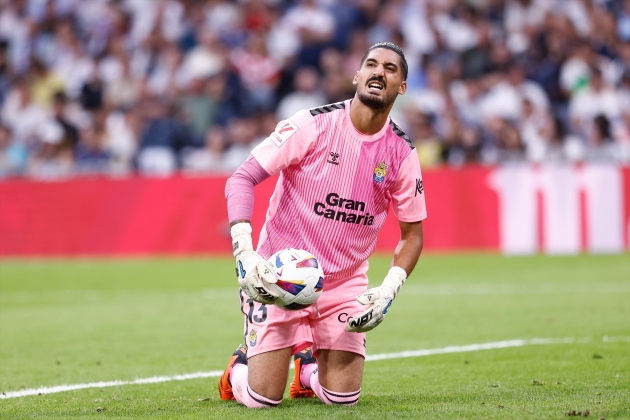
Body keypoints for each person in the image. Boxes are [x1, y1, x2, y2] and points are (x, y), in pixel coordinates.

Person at [220, 42, 427, 408]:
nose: (379, 72)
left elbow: (413, 234)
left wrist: (388, 289)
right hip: (278, 274)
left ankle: (305, 370)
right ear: (357, 75)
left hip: (344, 285)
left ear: (402, 87)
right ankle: (238, 367)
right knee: (261, 399)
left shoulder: (401, 153)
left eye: (391, 69)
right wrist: (245, 252)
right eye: (372, 64)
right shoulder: (311, 124)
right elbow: (241, 178)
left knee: (342, 399)